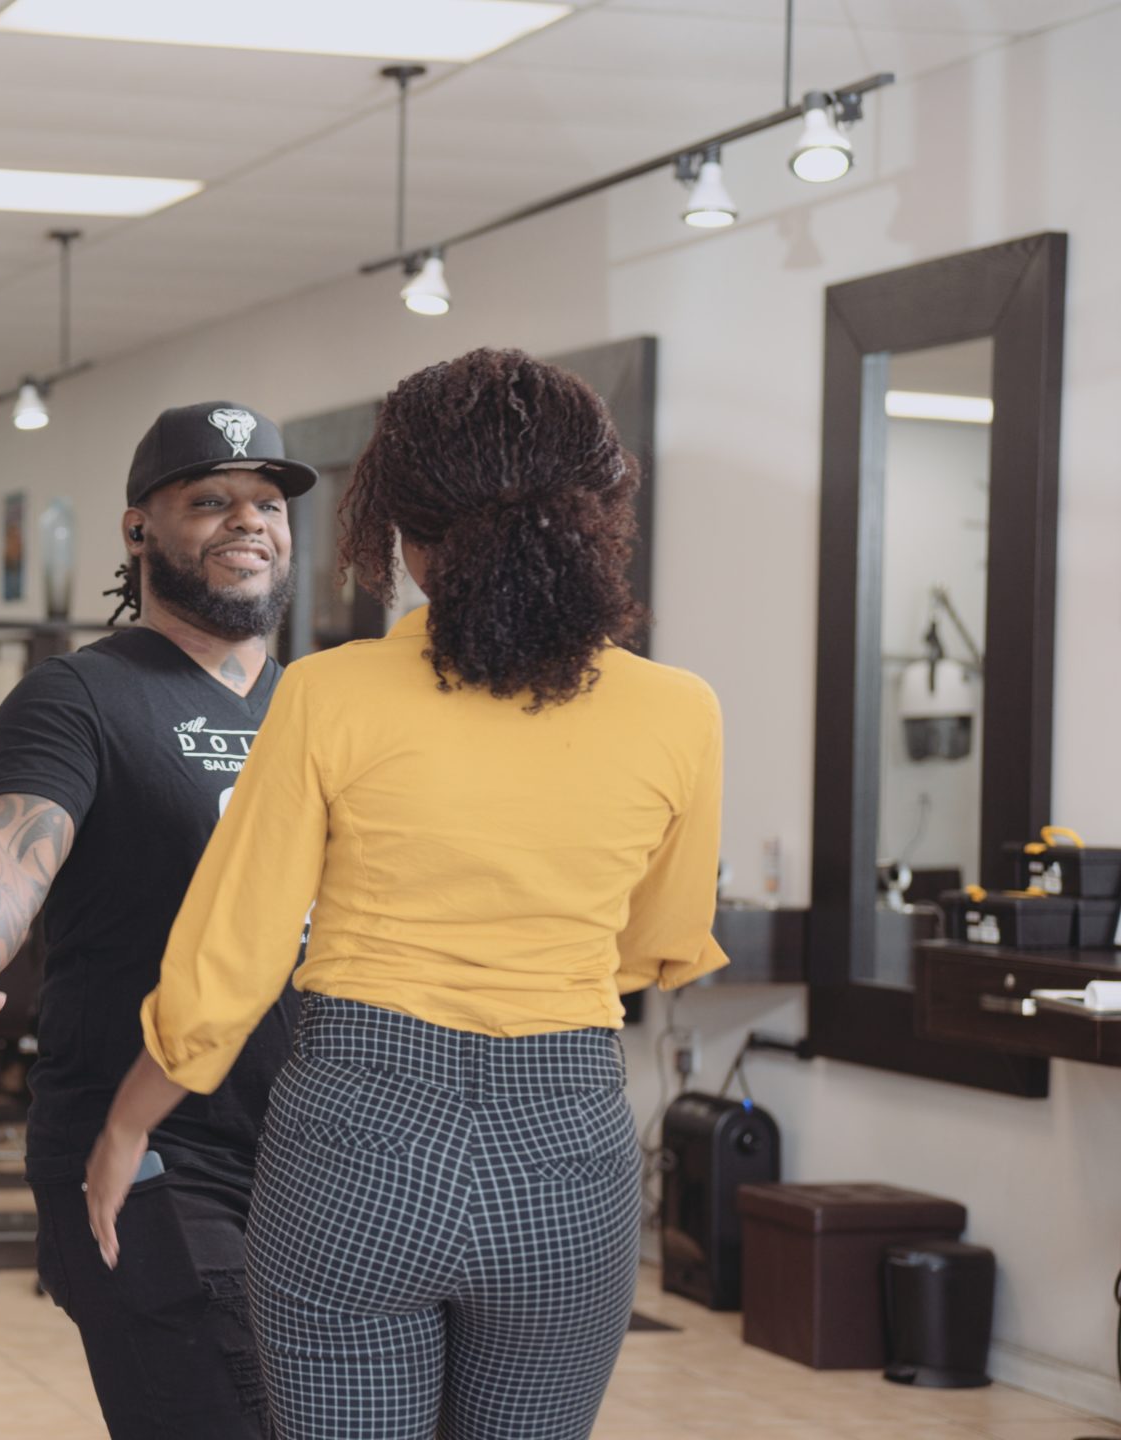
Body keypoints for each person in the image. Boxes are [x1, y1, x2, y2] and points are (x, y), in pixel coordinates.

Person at [86, 349, 730, 1440]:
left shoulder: (326, 696)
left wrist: (123, 1128)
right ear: (593, 518)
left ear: (405, 532)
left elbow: (231, 961)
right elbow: (661, 941)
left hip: (355, 1147)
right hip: (566, 1156)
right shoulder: (679, 712)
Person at [0, 401, 316, 1438]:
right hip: (147, 1152)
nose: (247, 521)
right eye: (209, 500)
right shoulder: (79, 696)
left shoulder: (320, 712)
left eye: (267, 502)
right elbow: (8, 840)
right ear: (139, 529)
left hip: (312, 1153)